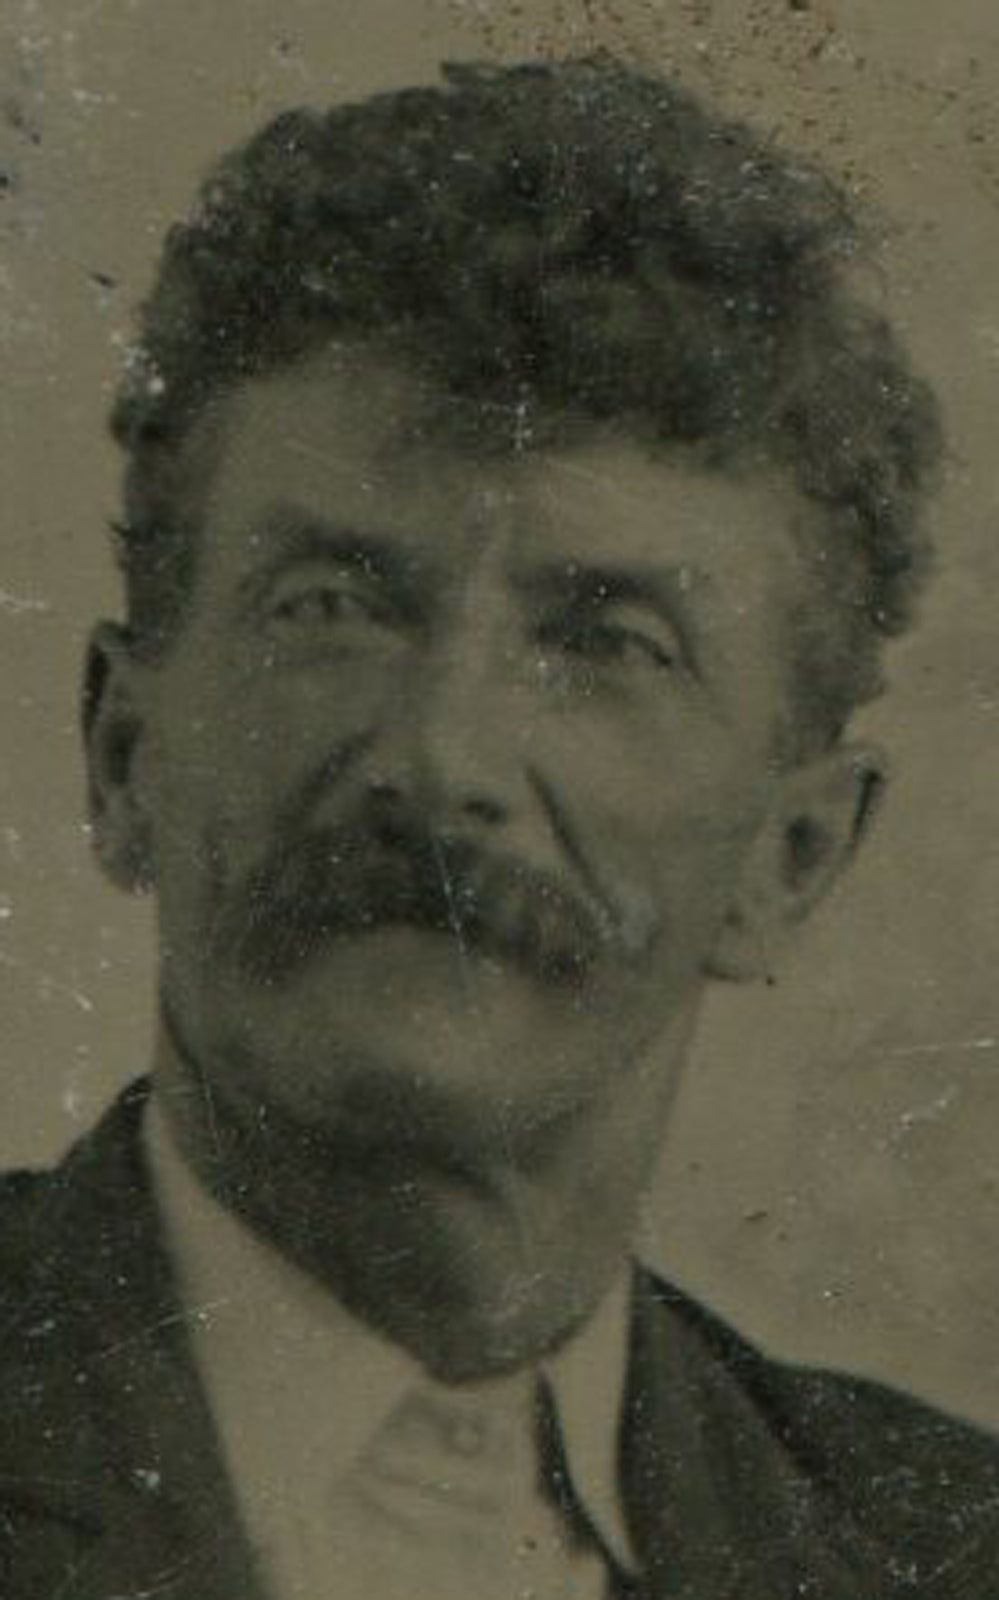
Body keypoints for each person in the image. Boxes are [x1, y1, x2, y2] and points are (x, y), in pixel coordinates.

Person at [2, 55, 996, 1600]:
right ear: (124, 754)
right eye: (329, 606)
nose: (442, 754)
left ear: (790, 861)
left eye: (608, 644)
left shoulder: (939, 1548)